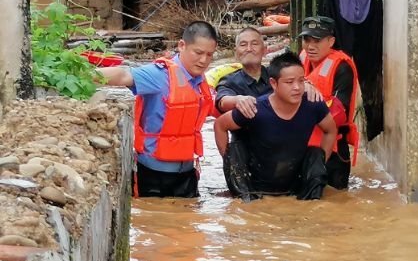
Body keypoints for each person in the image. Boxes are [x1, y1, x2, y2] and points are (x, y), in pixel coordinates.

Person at [96, 21, 218, 198]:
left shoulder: (200, 81)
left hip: (187, 174)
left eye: (209, 55)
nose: (204, 60)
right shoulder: (159, 74)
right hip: (153, 174)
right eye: (198, 53)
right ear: (182, 45)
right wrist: (78, 78)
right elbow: (123, 75)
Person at [214, 52, 337, 201]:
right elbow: (220, 125)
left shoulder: (313, 104)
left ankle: (309, 200)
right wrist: (229, 163)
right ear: (273, 83)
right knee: (234, 150)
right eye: (289, 82)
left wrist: (320, 165)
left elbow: (330, 131)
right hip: (256, 186)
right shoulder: (255, 109)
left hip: (294, 184)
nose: (297, 88)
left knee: (316, 155)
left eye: (301, 81)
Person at [298, 16, 359, 190]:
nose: (310, 46)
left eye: (317, 40)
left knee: (337, 203)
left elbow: (339, 114)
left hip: (333, 149)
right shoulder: (301, 60)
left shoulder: (341, 68)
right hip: (304, 144)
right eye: (306, 39)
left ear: (331, 41)